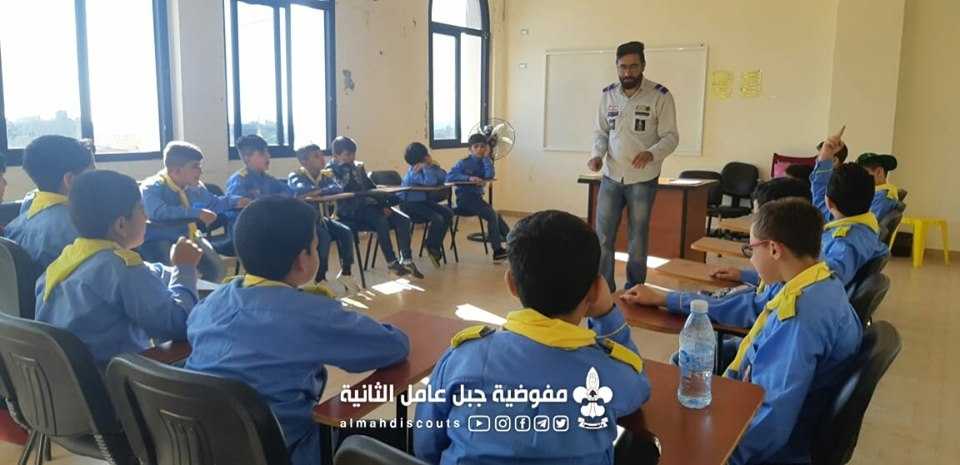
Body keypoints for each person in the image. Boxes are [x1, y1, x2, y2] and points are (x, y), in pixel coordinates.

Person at [622, 198, 862, 465]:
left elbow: (772, 421)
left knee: (643, 433)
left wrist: (719, 458)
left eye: (751, 249)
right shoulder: (819, 283)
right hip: (761, 408)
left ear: (774, 249)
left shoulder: (799, 318)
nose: (751, 259)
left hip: (773, 443)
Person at [185, 196, 410, 465]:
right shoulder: (310, 313)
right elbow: (393, 346)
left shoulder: (213, 301)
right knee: (407, 436)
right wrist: (323, 308)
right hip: (287, 452)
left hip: (205, 449)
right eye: (315, 246)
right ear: (303, 260)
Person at [415, 210, 651, 465]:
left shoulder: (462, 358)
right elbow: (638, 385)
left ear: (511, 284)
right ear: (595, 291)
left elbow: (425, 447)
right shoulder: (610, 373)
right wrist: (607, 315)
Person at [35, 170, 202, 366]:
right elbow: (179, 323)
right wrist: (185, 268)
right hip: (114, 379)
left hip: (67, 379)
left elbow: (143, 271)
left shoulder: (64, 262)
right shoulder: (123, 269)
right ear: (121, 225)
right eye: (141, 209)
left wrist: (173, 270)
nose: (146, 216)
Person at [588, 41, 679, 291]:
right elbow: (601, 133)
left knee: (637, 237)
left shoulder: (660, 96)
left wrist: (651, 154)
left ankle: (635, 288)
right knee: (603, 236)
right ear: (616, 67)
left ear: (643, 66)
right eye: (623, 67)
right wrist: (597, 155)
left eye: (633, 66)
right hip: (611, 175)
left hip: (643, 178)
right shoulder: (608, 95)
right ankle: (604, 287)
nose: (627, 72)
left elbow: (671, 137)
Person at [140, 141, 250, 282]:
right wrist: (196, 213)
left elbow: (212, 203)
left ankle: (203, 296)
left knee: (217, 269)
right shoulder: (152, 187)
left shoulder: (194, 186)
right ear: (176, 171)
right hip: (158, 239)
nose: (200, 171)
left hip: (188, 235)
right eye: (195, 166)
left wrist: (235, 201)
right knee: (172, 276)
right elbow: (158, 212)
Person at [327, 136, 422, 278]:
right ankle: (391, 262)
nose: (352, 157)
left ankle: (407, 260)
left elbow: (370, 186)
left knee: (403, 219)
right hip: (349, 210)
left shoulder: (358, 166)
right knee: (381, 220)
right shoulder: (329, 170)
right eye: (347, 154)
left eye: (353, 154)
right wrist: (346, 169)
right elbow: (339, 188)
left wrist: (383, 204)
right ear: (336, 155)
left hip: (369, 205)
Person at [3, 135, 94, 268]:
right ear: (70, 180)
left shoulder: (18, 222)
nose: (97, 181)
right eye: (92, 175)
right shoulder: (78, 228)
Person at [288, 144, 360, 292]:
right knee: (324, 237)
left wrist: (317, 191)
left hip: (322, 219)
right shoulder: (296, 175)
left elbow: (337, 187)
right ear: (304, 161)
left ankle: (346, 272)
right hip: (305, 223)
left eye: (322, 155)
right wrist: (322, 191)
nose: (322, 159)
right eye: (316, 156)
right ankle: (320, 277)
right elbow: (301, 189)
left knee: (346, 232)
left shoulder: (325, 175)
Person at [446, 134, 510, 261]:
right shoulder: (463, 163)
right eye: (476, 147)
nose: (479, 149)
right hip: (465, 200)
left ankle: (514, 242)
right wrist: (468, 178)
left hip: (477, 199)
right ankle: (498, 250)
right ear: (470, 149)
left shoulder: (485, 161)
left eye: (482, 146)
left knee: (496, 216)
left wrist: (486, 158)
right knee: (492, 215)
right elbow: (449, 177)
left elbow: (489, 175)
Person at [399, 142, 453, 267]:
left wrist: (433, 166)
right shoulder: (414, 172)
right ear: (421, 159)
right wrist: (427, 167)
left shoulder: (426, 167)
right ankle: (432, 247)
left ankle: (432, 245)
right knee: (438, 218)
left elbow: (444, 177)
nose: (429, 157)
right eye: (426, 156)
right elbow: (430, 182)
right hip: (409, 205)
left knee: (448, 213)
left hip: (422, 202)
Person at [856, 152, 901, 220]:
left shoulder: (881, 197)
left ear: (879, 171)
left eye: (862, 173)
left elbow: (866, 224)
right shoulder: (877, 193)